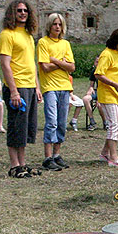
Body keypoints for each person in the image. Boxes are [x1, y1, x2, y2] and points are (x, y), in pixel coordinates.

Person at [0, 0, 42, 179]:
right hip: (16, 87)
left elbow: (31, 63)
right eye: (19, 11)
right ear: (12, 13)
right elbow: (5, 64)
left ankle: (23, 163)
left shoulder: (28, 35)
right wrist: (14, 91)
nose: (23, 13)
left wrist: (37, 87)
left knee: (26, 128)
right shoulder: (6, 35)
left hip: (30, 86)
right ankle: (14, 165)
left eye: (25, 10)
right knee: (16, 126)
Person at [37, 13, 75, 171]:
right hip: (50, 87)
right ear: (49, 26)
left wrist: (55, 60)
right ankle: (47, 157)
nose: (57, 27)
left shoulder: (65, 44)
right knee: (51, 121)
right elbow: (44, 67)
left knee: (61, 123)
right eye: (54, 24)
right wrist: (62, 63)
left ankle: (56, 154)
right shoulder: (43, 42)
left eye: (60, 24)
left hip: (64, 86)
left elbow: (72, 67)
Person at [96, 28, 118, 168]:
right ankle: (113, 158)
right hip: (107, 94)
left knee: (116, 125)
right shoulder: (107, 54)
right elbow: (99, 74)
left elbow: (116, 71)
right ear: (116, 41)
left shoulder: (117, 54)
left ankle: (105, 153)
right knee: (114, 125)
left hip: (116, 95)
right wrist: (114, 84)